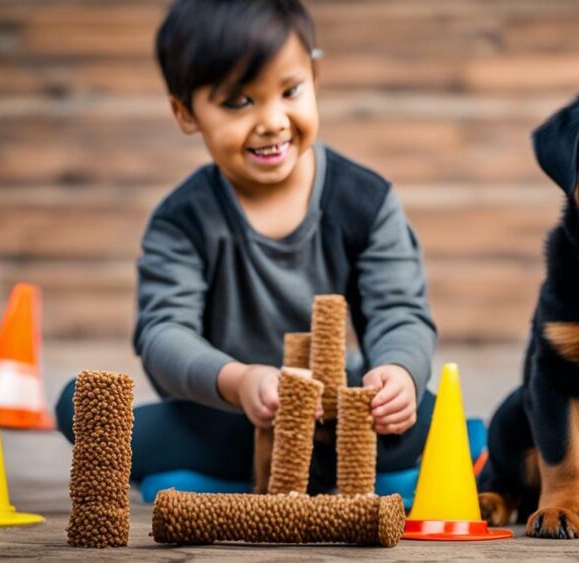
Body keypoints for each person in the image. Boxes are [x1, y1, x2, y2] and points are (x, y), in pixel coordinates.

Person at [56, 0, 437, 493]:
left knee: (425, 409)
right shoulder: (182, 220)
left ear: (315, 77)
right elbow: (164, 334)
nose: (274, 120)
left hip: (337, 417)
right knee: (83, 408)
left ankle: (239, 478)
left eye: (290, 90)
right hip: (228, 415)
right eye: (239, 101)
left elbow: (400, 311)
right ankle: (276, 473)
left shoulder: (366, 200)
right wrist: (239, 382)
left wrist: (396, 373)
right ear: (186, 112)